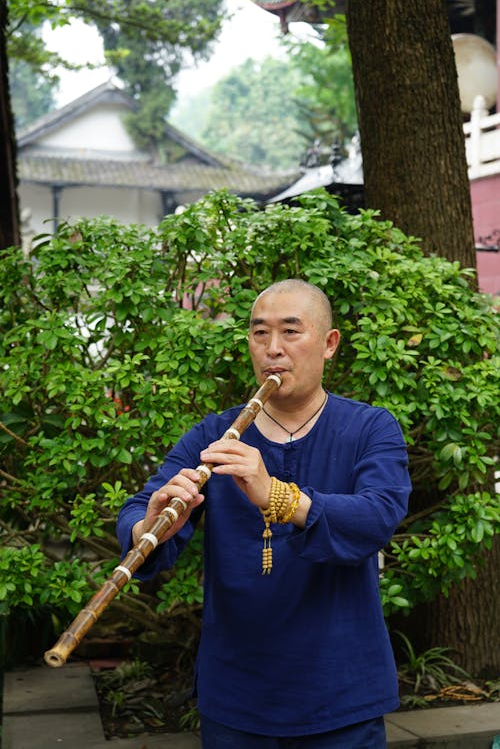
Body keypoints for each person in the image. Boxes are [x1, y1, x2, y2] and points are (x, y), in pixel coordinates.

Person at [117, 279, 412, 748]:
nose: (273, 349)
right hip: (237, 696)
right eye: (260, 334)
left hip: (341, 692)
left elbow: (377, 516)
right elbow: (141, 506)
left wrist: (276, 495)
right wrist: (149, 523)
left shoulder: (370, 427)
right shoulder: (213, 435)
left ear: (329, 343)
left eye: (291, 332)